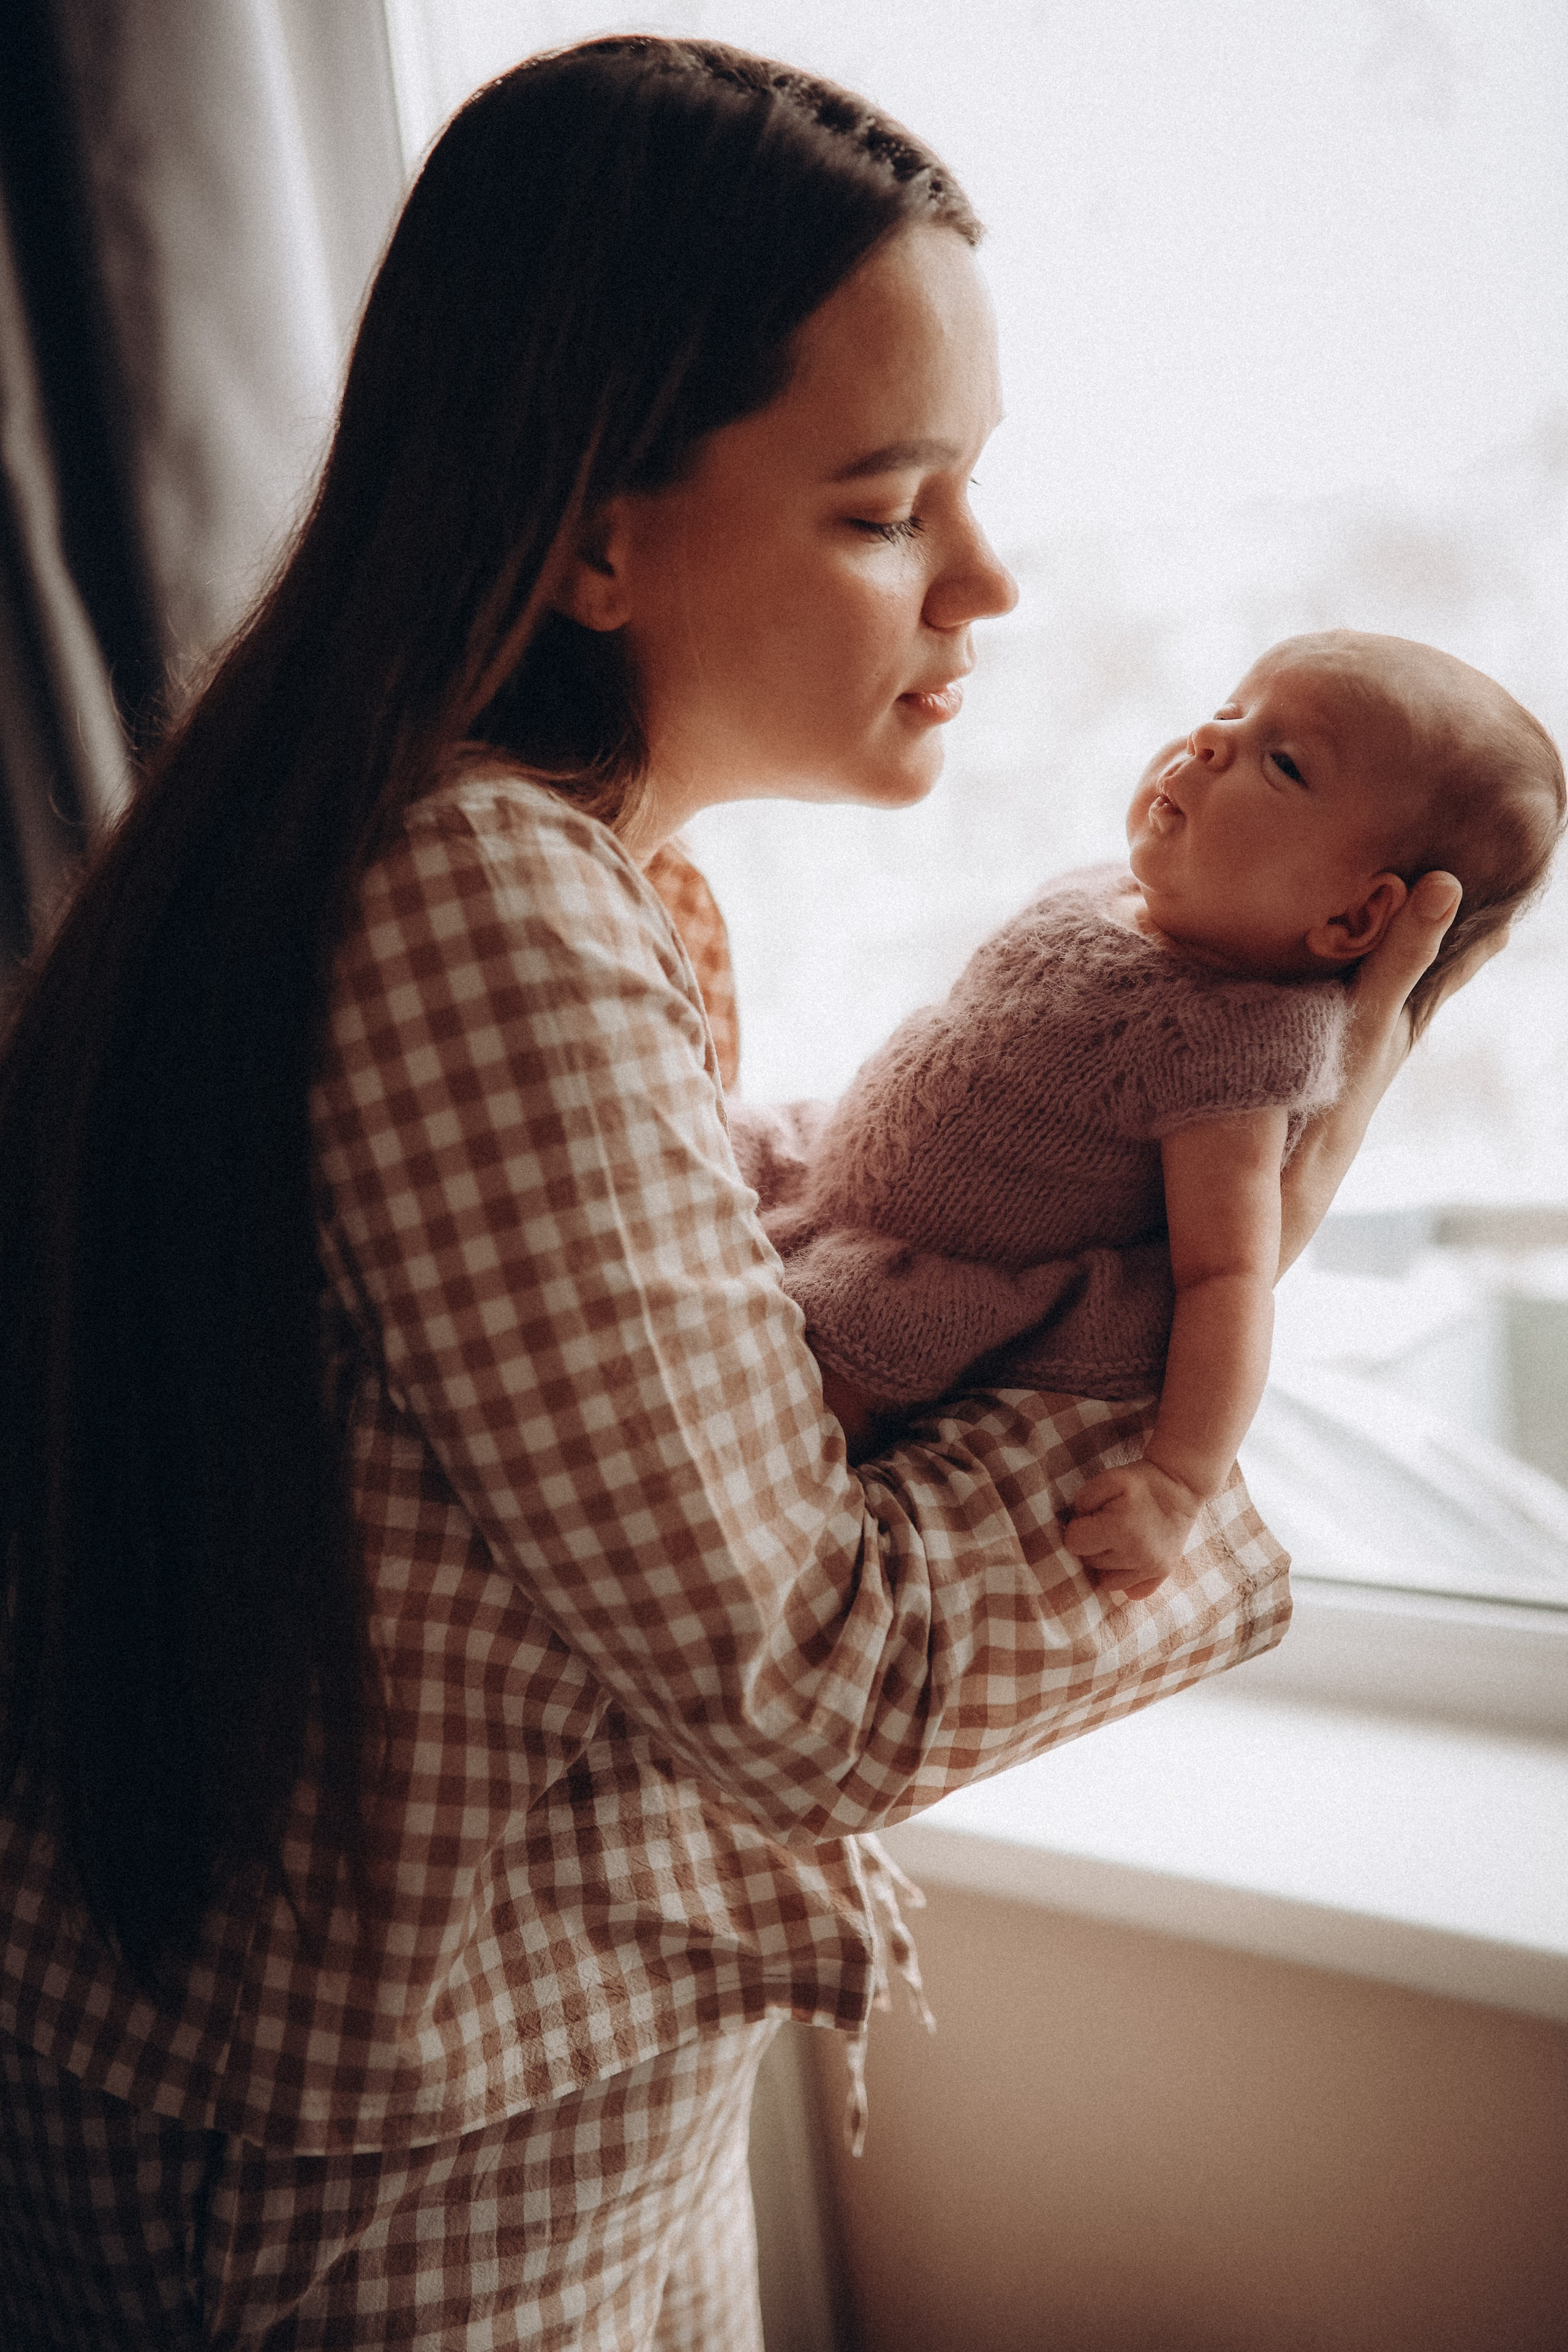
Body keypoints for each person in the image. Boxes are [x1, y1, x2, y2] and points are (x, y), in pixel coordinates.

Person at [0, 37, 1487, 2352]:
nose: (987, 583)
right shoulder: (489, 907)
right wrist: (1239, 1268)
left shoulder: (555, 874)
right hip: (392, 2183)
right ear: (596, 529)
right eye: (889, 508)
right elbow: (814, 1688)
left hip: (456, 2110)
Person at [739, 629, 1564, 1593]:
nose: (1211, 743)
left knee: (772, 1424)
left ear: (1354, 918)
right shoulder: (1112, 890)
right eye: (1230, 711)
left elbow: (1227, 1279)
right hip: (825, 1168)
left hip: (922, 1290)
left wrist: (1178, 1483)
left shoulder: (1234, 1046)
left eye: (1284, 762)